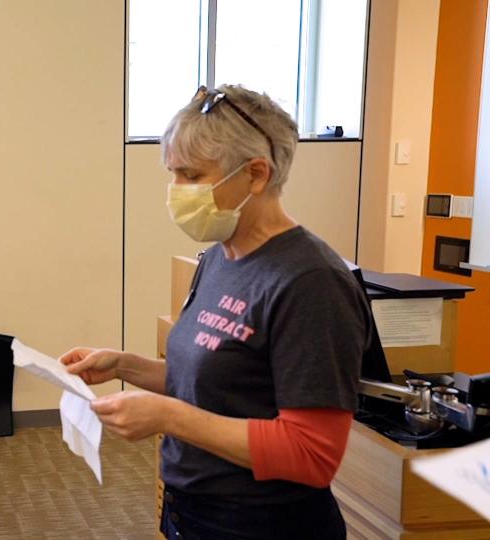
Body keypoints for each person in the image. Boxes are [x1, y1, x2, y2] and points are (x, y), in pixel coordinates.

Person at [62, 85, 371, 540]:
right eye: (173, 174)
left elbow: (312, 454)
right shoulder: (217, 258)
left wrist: (167, 417)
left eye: (191, 175)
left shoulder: (310, 282)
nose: (176, 192)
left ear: (257, 174)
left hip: (262, 524)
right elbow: (213, 384)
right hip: (191, 511)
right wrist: (123, 365)